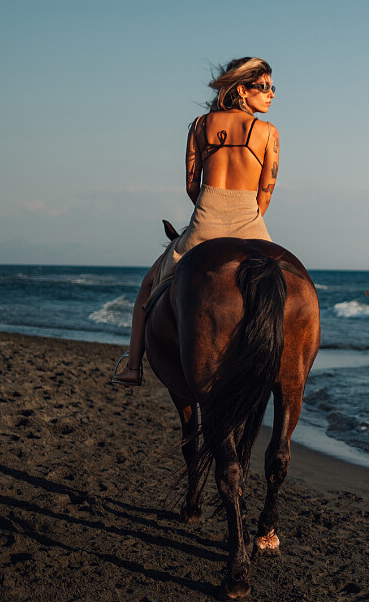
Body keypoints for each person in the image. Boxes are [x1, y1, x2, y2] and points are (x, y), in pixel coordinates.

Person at [111, 57, 280, 386]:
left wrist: (212, 211)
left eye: (273, 88)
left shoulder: (200, 126)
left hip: (205, 224)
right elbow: (265, 194)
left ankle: (132, 367)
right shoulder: (268, 132)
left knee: (148, 286)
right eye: (264, 87)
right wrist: (244, 216)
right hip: (252, 225)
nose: (271, 94)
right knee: (280, 289)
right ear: (242, 90)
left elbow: (192, 186)